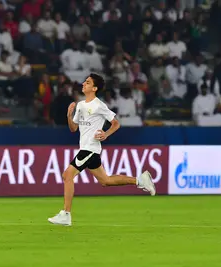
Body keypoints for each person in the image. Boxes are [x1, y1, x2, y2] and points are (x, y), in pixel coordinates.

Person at [48, 74, 156, 226]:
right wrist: (68, 115)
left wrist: (105, 134)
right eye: (84, 81)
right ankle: (140, 180)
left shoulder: (99, 105)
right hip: (87, 149)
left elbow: (116, 124)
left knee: (67, 175)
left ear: (94, 88)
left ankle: (66, 214)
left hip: (90, 149)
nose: (84, 84)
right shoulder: (80, 105)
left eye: (88, 82)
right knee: (106, 181)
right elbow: (73, 129)